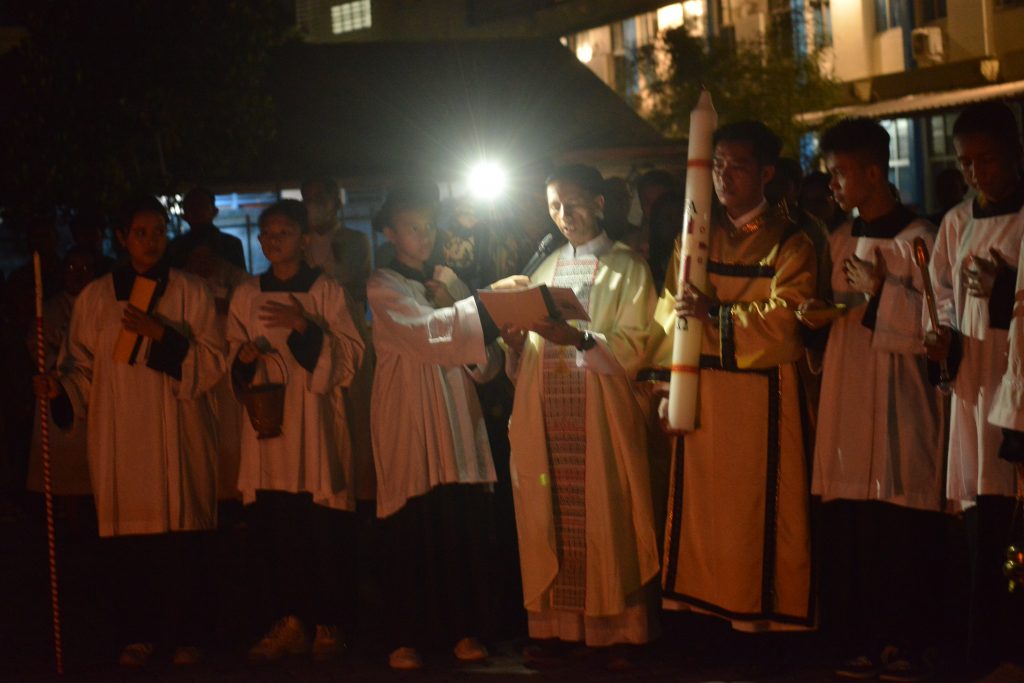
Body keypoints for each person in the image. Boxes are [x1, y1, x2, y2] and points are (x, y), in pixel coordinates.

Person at [34, 195, 225, 667]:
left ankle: (189, 635)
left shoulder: (190, 291)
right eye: (140, 232)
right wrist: (59, 388)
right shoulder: (97, 297)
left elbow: (213, 362)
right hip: (120, 436)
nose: (151, 241)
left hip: (178, 430)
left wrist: (163, 337)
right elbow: (81, 367)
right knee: (131, 545)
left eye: (159, 231)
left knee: (182, 541)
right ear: (122, 238)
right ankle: (138, 634)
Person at [647, 121, 817, 633]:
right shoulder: (695, 238)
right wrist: (667, 389)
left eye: (737, 167)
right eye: (717, 165)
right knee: (703, 510)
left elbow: (786, 322)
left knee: (756, 513)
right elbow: (668, 311)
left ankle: (762, 623)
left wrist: (714, 315)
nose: (723, 177)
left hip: (761, 400)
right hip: (702, 394)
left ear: (766, 173)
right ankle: (702, 619)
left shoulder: (790, 241)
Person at [503, 164, 660, 663]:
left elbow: (639, 343)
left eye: (572, 203)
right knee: (550, 513)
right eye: (554, 206)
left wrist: (579, 339)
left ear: (599, 203)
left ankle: (616, 631)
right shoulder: (544, 268)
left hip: (600, 414)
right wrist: (514, 342)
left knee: (605, 514)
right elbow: (529, 354)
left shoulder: (628, 267)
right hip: (548, 413)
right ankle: (558, 629)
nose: (563, 215)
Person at [811, 118, 948, 680]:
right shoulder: (838, 239)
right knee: (856, 527)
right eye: (830, 174)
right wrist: (817, 319)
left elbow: (938, 326)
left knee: (901, 526)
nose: (833, 184)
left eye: (841, 173)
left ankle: (909, 641)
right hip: (849, 392)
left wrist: (881, 291)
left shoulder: (921, 238)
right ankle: (863, 638)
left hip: (901, 396)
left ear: (874, 172)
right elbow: (836, 311)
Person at [368, 186, 504, 670]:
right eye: (412, 227)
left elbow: (487, 363)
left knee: (457, 523)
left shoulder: (449, 280)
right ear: (390, 233)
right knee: (412, 524)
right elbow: (427, 335)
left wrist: (459, 301)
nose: (423, 236)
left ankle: (464, 630)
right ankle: (406, 636)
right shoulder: (382, 284)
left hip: (454, 415)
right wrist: (477, 309)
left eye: (428, 226)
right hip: (408, 414)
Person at [227, 199, 365, 663]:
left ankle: (330, 623)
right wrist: (244, 360)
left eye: (282, 233)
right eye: (266, 234)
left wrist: (304, 327)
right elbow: (231, 351)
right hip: (269, 430)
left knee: (321, 530)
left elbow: (351, 356)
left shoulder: (326, 291)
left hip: (315, 423)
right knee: (278, 529)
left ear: (304, 239)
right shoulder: (247, 293)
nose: (272, 241)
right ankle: (288, 622)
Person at [924, 101, 1024, 672]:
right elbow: (939, 293)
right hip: (972, 390)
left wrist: (1006, 286)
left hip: (1014, 391)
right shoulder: (957, 222)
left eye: (986, 159)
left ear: (1014, 153)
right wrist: (941, 335)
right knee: (979, 528)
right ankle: (983, 652)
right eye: (965, 162)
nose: (975, 173)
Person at [25, 247, 103, 501]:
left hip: (95, 389)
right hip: (59, 389)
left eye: (85, 269)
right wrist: (57, 367)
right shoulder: (51, 308)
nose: (78, 274)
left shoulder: (102, 306)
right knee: (64, 462)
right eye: (72, 268)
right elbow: (36, 344)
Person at [301, 177, 372, 309]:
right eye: (307, 199)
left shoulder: (355, 240)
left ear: (336, 203)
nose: (313, 205)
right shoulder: (299, 242)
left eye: (319, 198)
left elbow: (362, 289)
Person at [167, 187, 246, 271]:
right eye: (192, 207)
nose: (197, 211)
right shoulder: (175, 247)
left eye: (202, 206)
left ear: (214, 211)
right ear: (184, 216)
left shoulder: (231, 245)